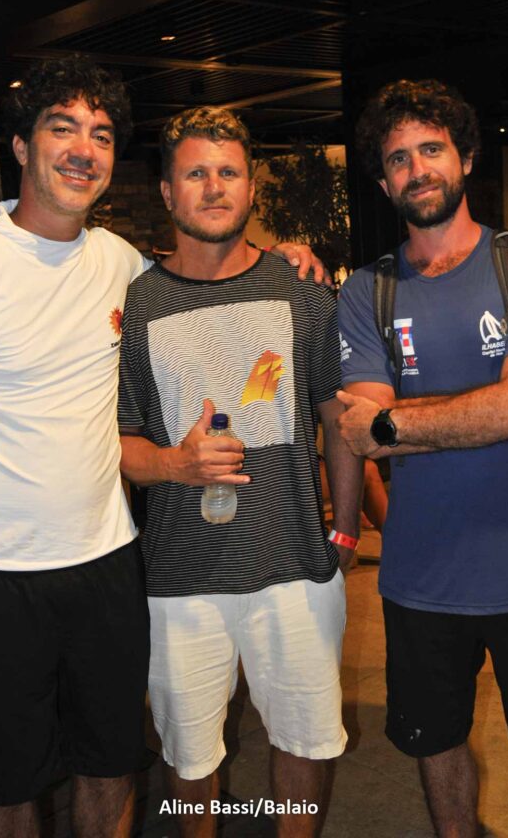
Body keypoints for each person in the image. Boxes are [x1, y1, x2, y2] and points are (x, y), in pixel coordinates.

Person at [0, 58, 324, 838]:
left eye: (100, 134)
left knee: (111, 765)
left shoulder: (120, 265)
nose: (83, 149)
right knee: (6, 783)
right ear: (21, 146)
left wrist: (286, 258)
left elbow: (202, 278)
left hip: (109, 563)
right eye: (62, 128)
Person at [118, 105, 363, 837]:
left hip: (294, 566)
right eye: (195, 173)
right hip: (180, 576)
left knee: (305, 743)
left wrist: (345, 531)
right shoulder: (139, 303)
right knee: (189, 758)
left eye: (228, 171)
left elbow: (337, 418)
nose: (214, 186)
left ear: (252, 185)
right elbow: (121, 442)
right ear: (168, 191)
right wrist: (175, 463)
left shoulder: (303, 291)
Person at [336, 78, 508, 838]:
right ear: (383, 182)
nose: (417, 169)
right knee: (435, 745)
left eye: (431, 149)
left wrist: (399, 421)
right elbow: (359, 431)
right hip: (421, 577)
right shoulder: (366, 291)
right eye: (398, 158)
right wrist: (493, 407)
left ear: (465, 158)